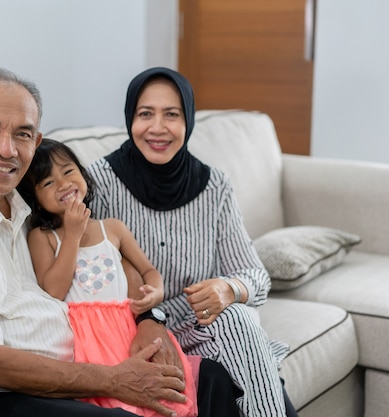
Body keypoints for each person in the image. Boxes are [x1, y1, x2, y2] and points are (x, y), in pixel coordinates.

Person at [0, 67, 240, 417]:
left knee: (212, 381)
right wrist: (113, 380)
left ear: (35, 143)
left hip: (92, 357)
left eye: (22, 134)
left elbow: (117, 262)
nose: (6, 149)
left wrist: (148, 318)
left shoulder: (24, 206)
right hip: (11, 394)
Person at [87, 66, 299, 417]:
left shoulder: (215, 186)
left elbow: (256, 276)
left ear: (188, 121)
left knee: (237, 319)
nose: (158, 128)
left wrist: (228, 289)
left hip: (200, 329)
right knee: (247, 357)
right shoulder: (100, 183)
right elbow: (90, 277)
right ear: (129, 119)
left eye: (172, 114)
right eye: (145, 114)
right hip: (135, 332)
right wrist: (147, 317)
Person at [17, 138, 197, 417]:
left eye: (68, 171)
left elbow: (148, 270)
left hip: (128, 326)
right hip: (88, 337)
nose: (63, 184)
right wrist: (72, 235)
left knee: (162, 396)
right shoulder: (42, 237)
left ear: (83, 173)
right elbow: (53, 289)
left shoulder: (112, 228)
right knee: (121, 403)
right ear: (35, 199)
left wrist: (156, 291)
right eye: (48, 183)